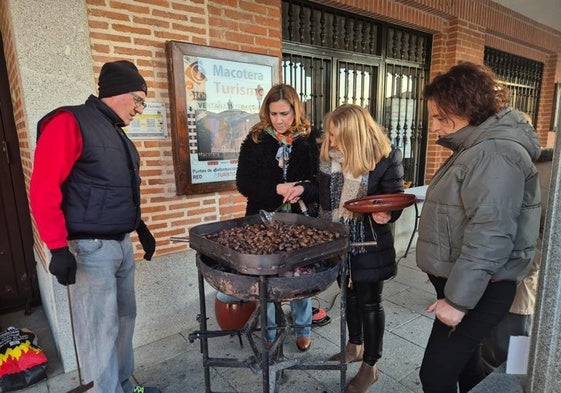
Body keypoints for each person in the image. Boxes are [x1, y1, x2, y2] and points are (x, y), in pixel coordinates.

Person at [29, 60, 159, 393]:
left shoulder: (118, 135)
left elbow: (114, 190)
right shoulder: (69, 122)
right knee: (100, 329)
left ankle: (124, 385)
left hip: (120, 244)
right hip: (90, 250)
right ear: (120, 93)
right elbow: (44, 188)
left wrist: (138, 226)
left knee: (125, 320)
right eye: (139, 100)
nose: (140, 110)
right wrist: (57, 248)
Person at [416, 61, 541, 393]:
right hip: (469, 284)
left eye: (440, 117)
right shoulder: (478, 147)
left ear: (467, 109)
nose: (434, 127)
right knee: (468, 368)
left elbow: (491, 233)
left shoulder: (495, 152)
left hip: (480, 288)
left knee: (435, 374)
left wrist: (457, 302)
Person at [291, 104, 405, 393]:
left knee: (369, 303)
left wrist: (386, 214)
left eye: (336, 136)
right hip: (339, 239)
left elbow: (393, 199)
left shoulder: (386, 158)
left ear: (354, 135)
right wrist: (304, 189)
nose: (330, 142)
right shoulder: (329, 158)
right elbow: (323, 194)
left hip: (368, 243)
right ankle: (354, 346)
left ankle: (371, 365)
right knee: (348, 297)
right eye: (329, 135)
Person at [235, 83, 319, 352]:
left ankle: (303, 327)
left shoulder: (309, 138)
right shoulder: (256, 139)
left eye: (285, 113)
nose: (279, 120)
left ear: (296, 110)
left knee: (299, 273)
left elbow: (321, 181)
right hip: (263, 218)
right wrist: (276, 189)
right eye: (274, 114)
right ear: (266, 113)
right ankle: (270, 330)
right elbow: (243, 183)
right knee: (267, 276)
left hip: (299, 220)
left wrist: (303, 188)